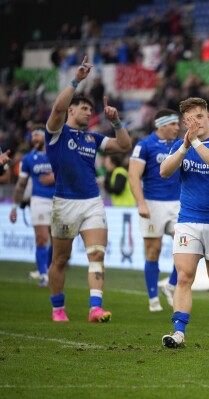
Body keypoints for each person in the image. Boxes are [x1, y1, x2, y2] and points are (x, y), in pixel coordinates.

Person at [45, 56, 132, 322]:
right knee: (60, 259)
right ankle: (58, 308)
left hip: (92, 202)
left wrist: (116, 122)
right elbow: (58, 108)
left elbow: (123, 146)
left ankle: (95, 308)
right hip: (64, 203)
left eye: (88, 110)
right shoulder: (57, 133)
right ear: (71, 111)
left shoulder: (92, 139)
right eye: (82, 108)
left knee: (97, 254)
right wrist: (76, 81)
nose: (86, 112)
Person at [160, 97, 209, 349]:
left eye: (200, 117)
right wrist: (184, 147)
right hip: (188, 222)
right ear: (185, 122)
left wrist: (195, 143)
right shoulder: (181, 147)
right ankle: (179, 331)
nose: (196, 123)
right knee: (184, 276)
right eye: (190, 120)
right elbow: (164, 172)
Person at [129, 109, 181, 312]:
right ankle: (153, 299)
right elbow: (134, 176)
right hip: (152, 203)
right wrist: (141, 203)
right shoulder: (144, 146)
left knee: (186, 248)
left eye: (178, 124)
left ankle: (170, 286)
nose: (177, 128)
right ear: (161, 125)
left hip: (178, 203)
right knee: (153, 251)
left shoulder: (179, 146)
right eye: (173, 124)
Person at [9, 125, 55, 287]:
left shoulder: (57, 153)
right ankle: (43, 275)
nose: (34, 139)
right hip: (39, 200)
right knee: (41, 238)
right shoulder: (28, 159)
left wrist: (55, 177)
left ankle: (49, 270)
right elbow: (21, 185)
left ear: (46, 136)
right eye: (32, 136)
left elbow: (70, 172)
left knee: (57, 241)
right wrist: (14, 206)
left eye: (38, 135)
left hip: (59, 201)